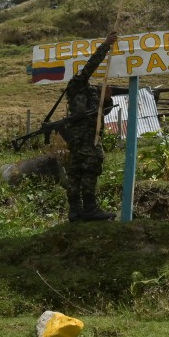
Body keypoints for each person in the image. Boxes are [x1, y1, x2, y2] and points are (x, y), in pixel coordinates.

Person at [58, 31, 118, 222]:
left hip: (87, 134)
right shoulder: (76, 84)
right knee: (90, 166)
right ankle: (88, 209)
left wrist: (106, 101)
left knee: (76, 170)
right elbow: (91, 65)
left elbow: (99, 114)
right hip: (82, 136)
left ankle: (76, 211)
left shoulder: (91, 91)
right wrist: (106, 45)